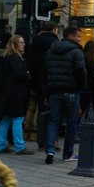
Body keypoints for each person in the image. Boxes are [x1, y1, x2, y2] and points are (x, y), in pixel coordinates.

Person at [44, 26, 87, 164]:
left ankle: (50, 150)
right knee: (72, 123)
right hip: (71, 90)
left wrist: (47, 91)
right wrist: (82, 86)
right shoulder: (76, 51)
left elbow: (46, 71)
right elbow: (81, 71)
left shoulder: (51, 51)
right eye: (78, 36)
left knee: (53, 121)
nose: (80, 39)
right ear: (71, 36)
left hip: (54, 91)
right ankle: (68, 153)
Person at [0, 35, 34, 155]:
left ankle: (1, 145)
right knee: (18, 118)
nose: (24, 44)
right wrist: (27, 75)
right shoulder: (16, 58)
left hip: (7, 93)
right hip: (16, 93)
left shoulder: (8, 57)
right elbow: (19, 74)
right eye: (21, 43)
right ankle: (19, 146)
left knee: (6, 118)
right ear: (15, 44)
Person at [26, 21, 59, 151]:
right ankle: (52, 140)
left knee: (41, 111)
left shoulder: (34, 43)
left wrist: (32, 84)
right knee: (54, 112)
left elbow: (31, 64)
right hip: (52, 80)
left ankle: (41, 141)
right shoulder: (55, 43)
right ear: (54, 29)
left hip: (38, 81)